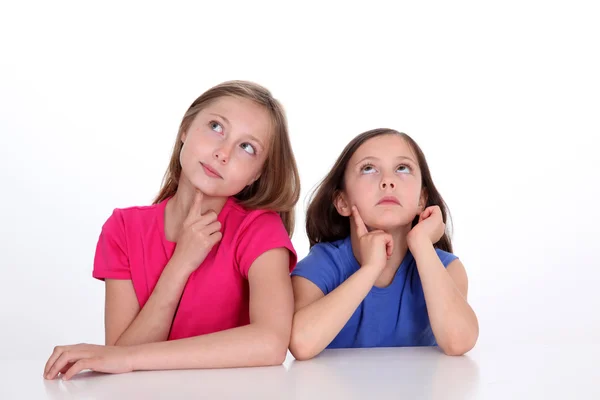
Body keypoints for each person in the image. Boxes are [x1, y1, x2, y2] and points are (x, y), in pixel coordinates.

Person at [44, 80, 301, 380]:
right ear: (185, 129)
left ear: (256, 174)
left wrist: (127, 358)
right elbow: (119, 359)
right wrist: (180, 265)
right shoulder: (123, 229)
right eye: (216, 127)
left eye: (246, 147)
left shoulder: (259, 230)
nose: (223, 153)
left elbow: (271, 344)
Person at [289, 128, 479, 360]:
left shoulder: (447, 269)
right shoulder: (319, 266)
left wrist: (421, 244)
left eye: (402, 168)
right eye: (368, 168)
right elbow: (300, 344)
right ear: (342, 201)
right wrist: (370, 269)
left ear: (421, 199)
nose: (388, 181)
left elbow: (458, 341)